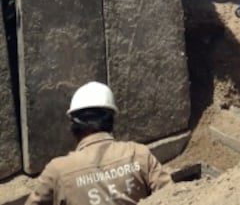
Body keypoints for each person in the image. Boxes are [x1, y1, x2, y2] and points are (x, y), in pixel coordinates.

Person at [25, 81, 171, 205]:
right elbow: (172, 196)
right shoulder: (139, 154)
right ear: (111, 121)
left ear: (73, 127)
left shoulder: (57, 171)